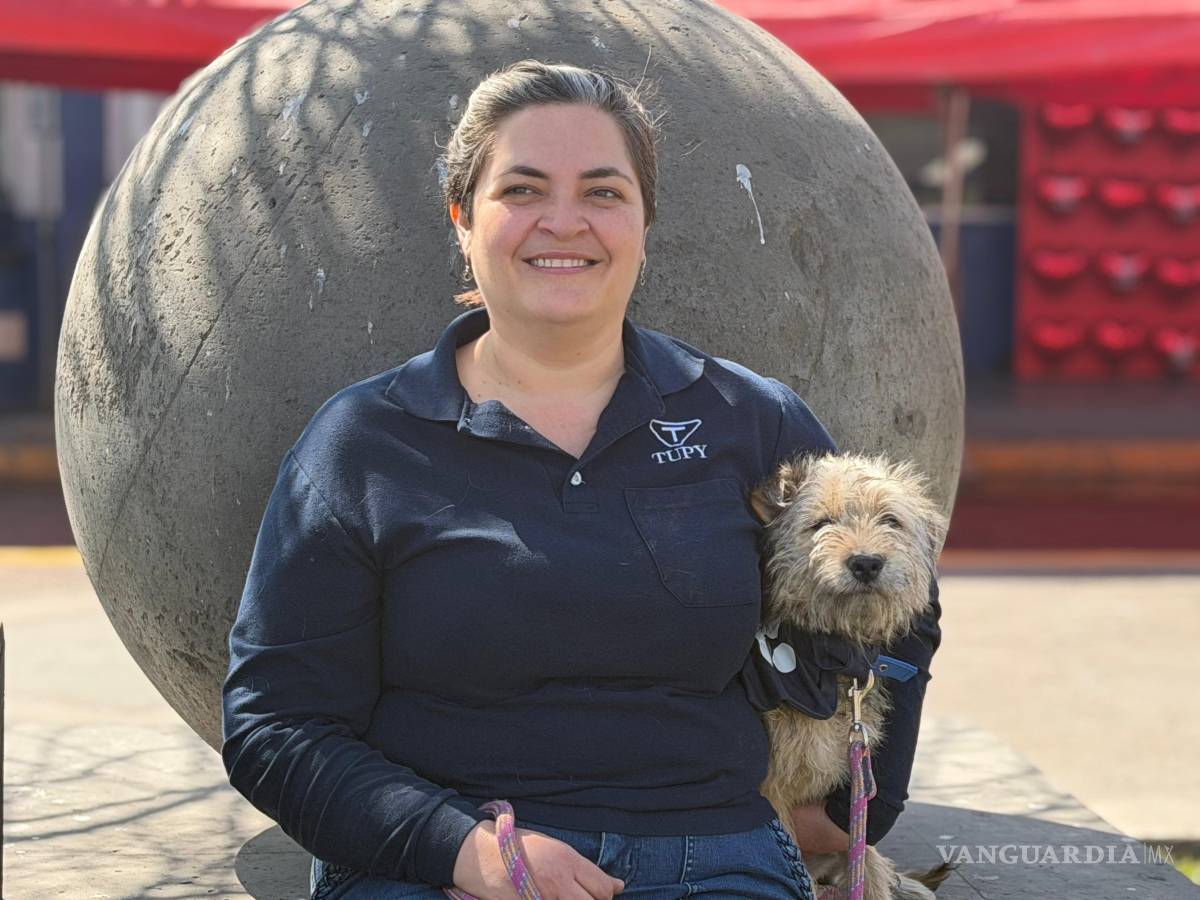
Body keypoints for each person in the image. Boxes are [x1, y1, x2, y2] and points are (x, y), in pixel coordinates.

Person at [221, 60, 941, 900]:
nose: (563, 222)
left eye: (603, 193)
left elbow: (901, 610)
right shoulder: (362, 443)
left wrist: (855, 813)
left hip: (712, 859)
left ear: (644, 222)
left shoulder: (749, 419)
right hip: (437, 866)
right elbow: (276, 723)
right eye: (522, 190)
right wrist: (458, 849)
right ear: (462, 218)